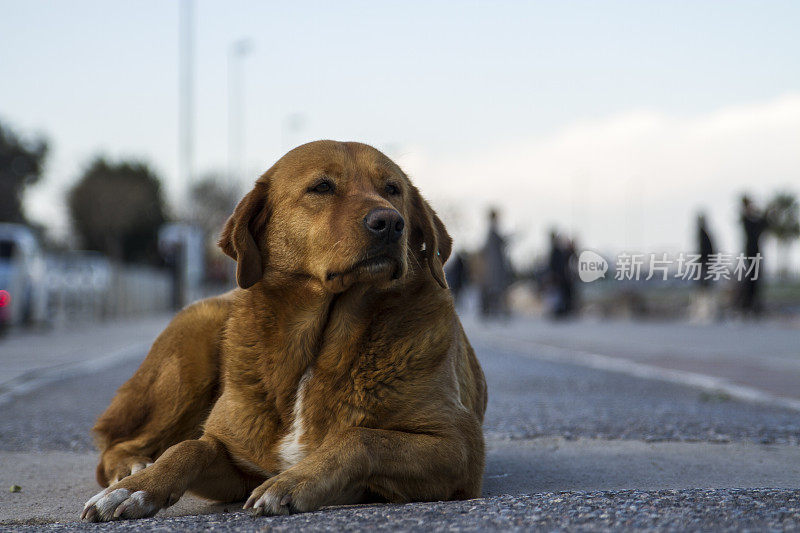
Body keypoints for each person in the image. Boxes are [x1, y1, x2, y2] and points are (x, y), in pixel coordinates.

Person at [478, 209, 513, 317]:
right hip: (495, 263)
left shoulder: (491, 229)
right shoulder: (492, 229)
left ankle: (494, 310)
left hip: (494, 262)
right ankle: (494, 310)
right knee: (495, 287)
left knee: (495, 286)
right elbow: (500, 242)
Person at [738, 196, 768, 315]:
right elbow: (760, 225)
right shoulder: (746, 220)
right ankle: (747, 305)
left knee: (754, 280)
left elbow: (763, 224)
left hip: (754, 253)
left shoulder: (751, 220)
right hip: (751, 253)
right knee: (751, 279)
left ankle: (752, 305)